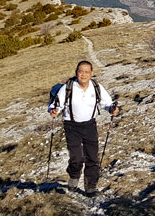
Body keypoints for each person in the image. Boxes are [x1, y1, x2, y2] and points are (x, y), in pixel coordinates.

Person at [48, 60, 119, 197]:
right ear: (76, 73)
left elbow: (107, 103)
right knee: (77, 158)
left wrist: (112, 109)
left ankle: (90, 187)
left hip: (90, 125)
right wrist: (54, 110)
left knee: (92, 158)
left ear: (92, 73)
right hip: (71, 126)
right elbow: (57, 104)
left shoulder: (96, 86)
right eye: (81, 71)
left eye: (87, 72)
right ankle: (74, 176)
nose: (84, 74)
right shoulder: (68, 87)